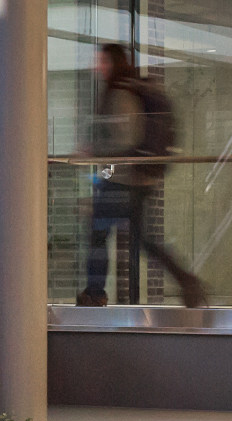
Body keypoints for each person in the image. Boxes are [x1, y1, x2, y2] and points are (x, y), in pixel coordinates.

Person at [75, 45, 206, 310]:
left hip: (124, 181)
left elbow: (125, 140)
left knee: (98, 234)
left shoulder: (120, 93)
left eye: (101, 60)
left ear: (113, 63)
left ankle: (94, 293)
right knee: (143, 240)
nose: (96, 66)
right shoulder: (130, 89)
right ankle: (187, 281)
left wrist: (93, 151)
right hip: (136, 181)